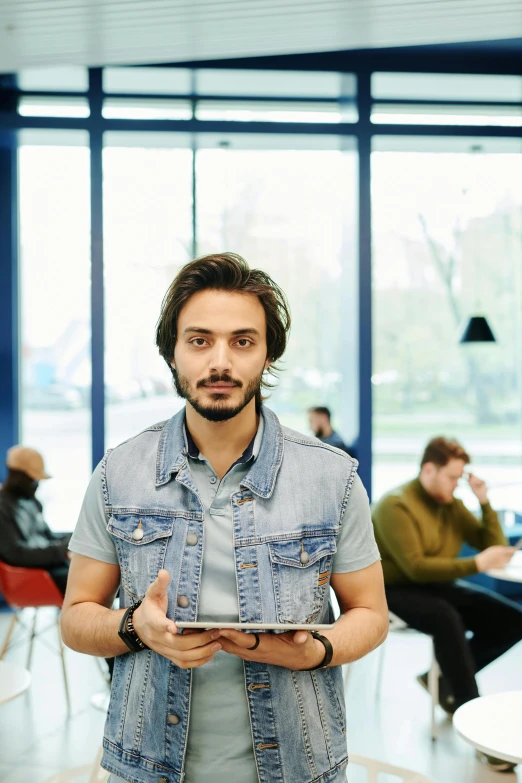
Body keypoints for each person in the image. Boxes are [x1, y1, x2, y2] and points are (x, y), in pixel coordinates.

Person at [62, 253, 388, 783]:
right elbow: (76, 617)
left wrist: (317, 651)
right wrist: (134, 626)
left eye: (242, 341)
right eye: (199, 340)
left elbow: (371, 615)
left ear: (266, 354)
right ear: (172, 352)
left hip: (298, 766)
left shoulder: (333, 477)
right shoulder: (117, 473)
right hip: (146, 766)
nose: (221, 362)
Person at [372, 436, 522, 772]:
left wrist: (484, 502)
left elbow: (492, 546)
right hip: (393, 590)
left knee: (513, 619)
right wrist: (476, 564)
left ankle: (441, 679)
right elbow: (415, 566)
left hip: (436, 585)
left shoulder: (449, 503)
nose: (458, 484)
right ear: (429, 469)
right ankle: (479, 727)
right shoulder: (395, 505)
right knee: (447, 618)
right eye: (453, 477)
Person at [0, 446, 70, 595]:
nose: (36, 486)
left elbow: (47, 537)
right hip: (32, 575)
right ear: (18, 476)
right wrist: (60, 550)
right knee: (100, 580)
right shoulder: (2, 506)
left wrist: (73, 539)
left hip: (50, 567)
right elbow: (15, 554)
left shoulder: (33, 503)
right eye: (33, 480)